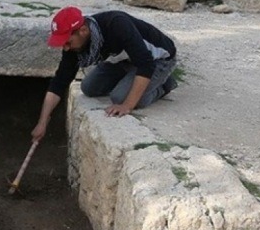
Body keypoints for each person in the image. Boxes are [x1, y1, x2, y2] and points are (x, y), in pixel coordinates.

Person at [31, 7, 178, 142]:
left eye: (67, 42)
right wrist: (42, 122)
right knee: (88, 87)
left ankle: (164, 85)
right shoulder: (75, 46)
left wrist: (127, 105)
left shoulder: (116, 24)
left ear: (82, 30)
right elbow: (59, 82)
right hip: (124, 59)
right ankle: (132, 78)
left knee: (119, 97)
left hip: (157, 60)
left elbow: (146, 64)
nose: (65, 47)